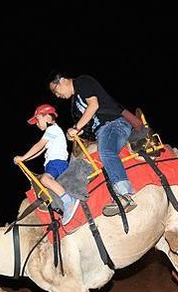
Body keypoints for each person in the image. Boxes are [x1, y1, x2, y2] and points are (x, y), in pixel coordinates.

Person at [48, 72, 136, 217]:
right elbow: (88, 126)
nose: (57, 96)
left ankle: (124, 194)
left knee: (106, 152)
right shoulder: (75, 103)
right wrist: (77, 133)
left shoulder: (82, 82)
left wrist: (76, 128)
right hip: (101, 132)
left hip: (114, 124)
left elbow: (93, 106)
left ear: (62, 81)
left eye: (55, 91)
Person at [14, 104, 80, 225]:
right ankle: (62, 205)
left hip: (57, 163)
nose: (37, 124)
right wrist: (24, 160)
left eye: (38, 120)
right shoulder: (53, 132)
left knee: (44, 179)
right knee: (45, 183)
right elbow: (40, 150)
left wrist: (23, 157)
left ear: (47, 117)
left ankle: (68, 201)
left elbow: (39, 145)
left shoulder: (52, 129)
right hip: (54, 164)